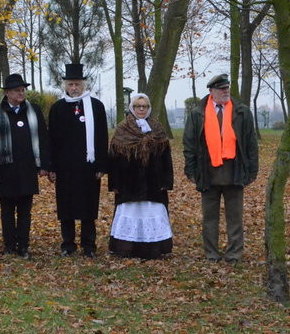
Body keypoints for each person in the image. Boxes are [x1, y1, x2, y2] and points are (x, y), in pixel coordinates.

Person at [183, 74, 258, 263]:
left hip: (235, 172)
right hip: (207, 173)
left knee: (235, 218)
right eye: (221, 89)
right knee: (209, 218)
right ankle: (211, 254)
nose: (226, 91)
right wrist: (191, 171)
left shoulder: (242, 111)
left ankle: (234, 254)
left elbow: (251, 143)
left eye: (227, 88)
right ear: (211, 91)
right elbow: (189, 143)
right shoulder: (197, 113)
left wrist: (252, 170)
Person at [0, 74, 51, 258]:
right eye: (16, 90)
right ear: (7, 93)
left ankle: (23, 245)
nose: (21, 93)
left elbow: (43, 138)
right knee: (6, 211)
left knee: (24, 211)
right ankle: (9, 245)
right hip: (5, 170)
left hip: (28, 168)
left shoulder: (34, 110)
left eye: (23, 90)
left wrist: (44, 164)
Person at [48, 63, 108, 258]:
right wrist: (52, 167)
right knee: (66, 206)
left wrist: (101, 165)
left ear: (83, 85)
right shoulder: (57, 108)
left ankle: (89, 245)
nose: (74, 88)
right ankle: (68, 243)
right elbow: (52, 139)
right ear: (65, 85)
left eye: (77, 84)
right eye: (70, 84)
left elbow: (101, 137)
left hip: (88, 166)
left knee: (88, 206)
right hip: (65, 167)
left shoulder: (96, 107)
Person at [108, 93, 173, 259]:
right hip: (128, 183)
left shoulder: (157, 128)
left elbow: (166, 158)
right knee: (131, 212)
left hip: (153, 182)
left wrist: (166, 180)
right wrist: (114, 183)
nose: (141, 109)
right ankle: (126, 248)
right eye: (138, 106)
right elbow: (113, 159)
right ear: (132, 108)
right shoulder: (123, 129)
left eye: (144, 106)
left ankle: (152, 249)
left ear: (149, 108)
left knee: (151, 212)